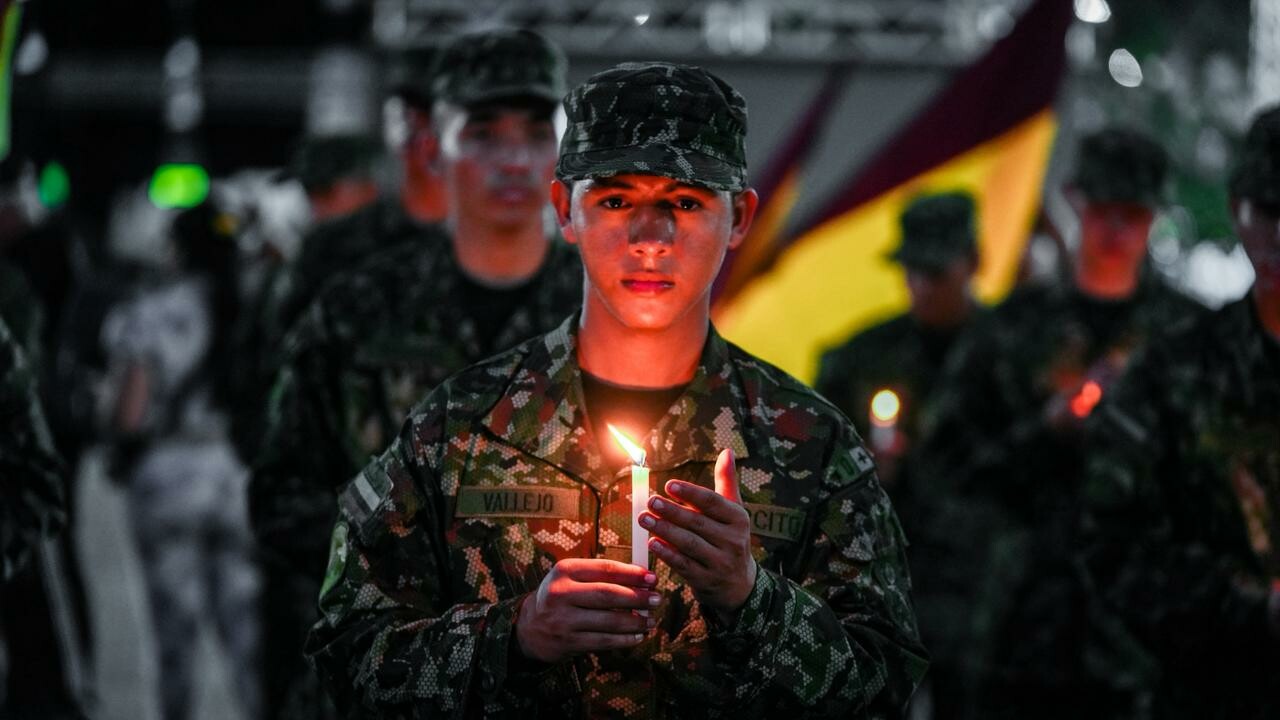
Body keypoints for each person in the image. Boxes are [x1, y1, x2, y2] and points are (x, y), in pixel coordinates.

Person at [307, 60, 927, 718]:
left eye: (685, 203)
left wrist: (752, 598)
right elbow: (347, 659)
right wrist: (516, 637)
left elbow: (885, 686)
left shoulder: (811, 445)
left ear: (740, 218)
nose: (650, 240)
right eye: (615, 201)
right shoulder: (459, 430)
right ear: (563, 210)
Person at [250, 28, 580, 720]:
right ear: (433, 149)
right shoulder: (358, 309)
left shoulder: (606, 310)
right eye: (483, 134)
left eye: (535, 134)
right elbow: (279, 493)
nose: (513, 160)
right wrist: (403, 569)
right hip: (392, 680)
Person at [916, 127, 1203, 719]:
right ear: (1076, 201)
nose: (1115, 231)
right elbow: (946, 462)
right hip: (1022, 627)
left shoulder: (1188, 336)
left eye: (1132, 215)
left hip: (1148, 635)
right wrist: (1043, 434)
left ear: (1153, 217)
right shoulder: (1011, 329)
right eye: (1102, 210)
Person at [1078, 105, 1280, 720]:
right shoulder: (1174, 369)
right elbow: (1112, 538)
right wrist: (1245, 606)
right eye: (1270, 212)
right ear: (1239, 212)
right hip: (1212, 689)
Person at [815, 190, 980, 718]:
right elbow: (814, 451)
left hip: (983, 593)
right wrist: (861, 468)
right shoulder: (864, 355)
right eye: (913, 271)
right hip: (884, 579)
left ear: (972, 263)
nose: (922, 287)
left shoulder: (1008, 352)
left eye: (936, 272)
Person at [100, 201, 260, 720]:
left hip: (167, 475)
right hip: (232, 475)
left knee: (174, 633)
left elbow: (130, 411)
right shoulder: (247, 306)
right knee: (245, 629)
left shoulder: (151, 311)